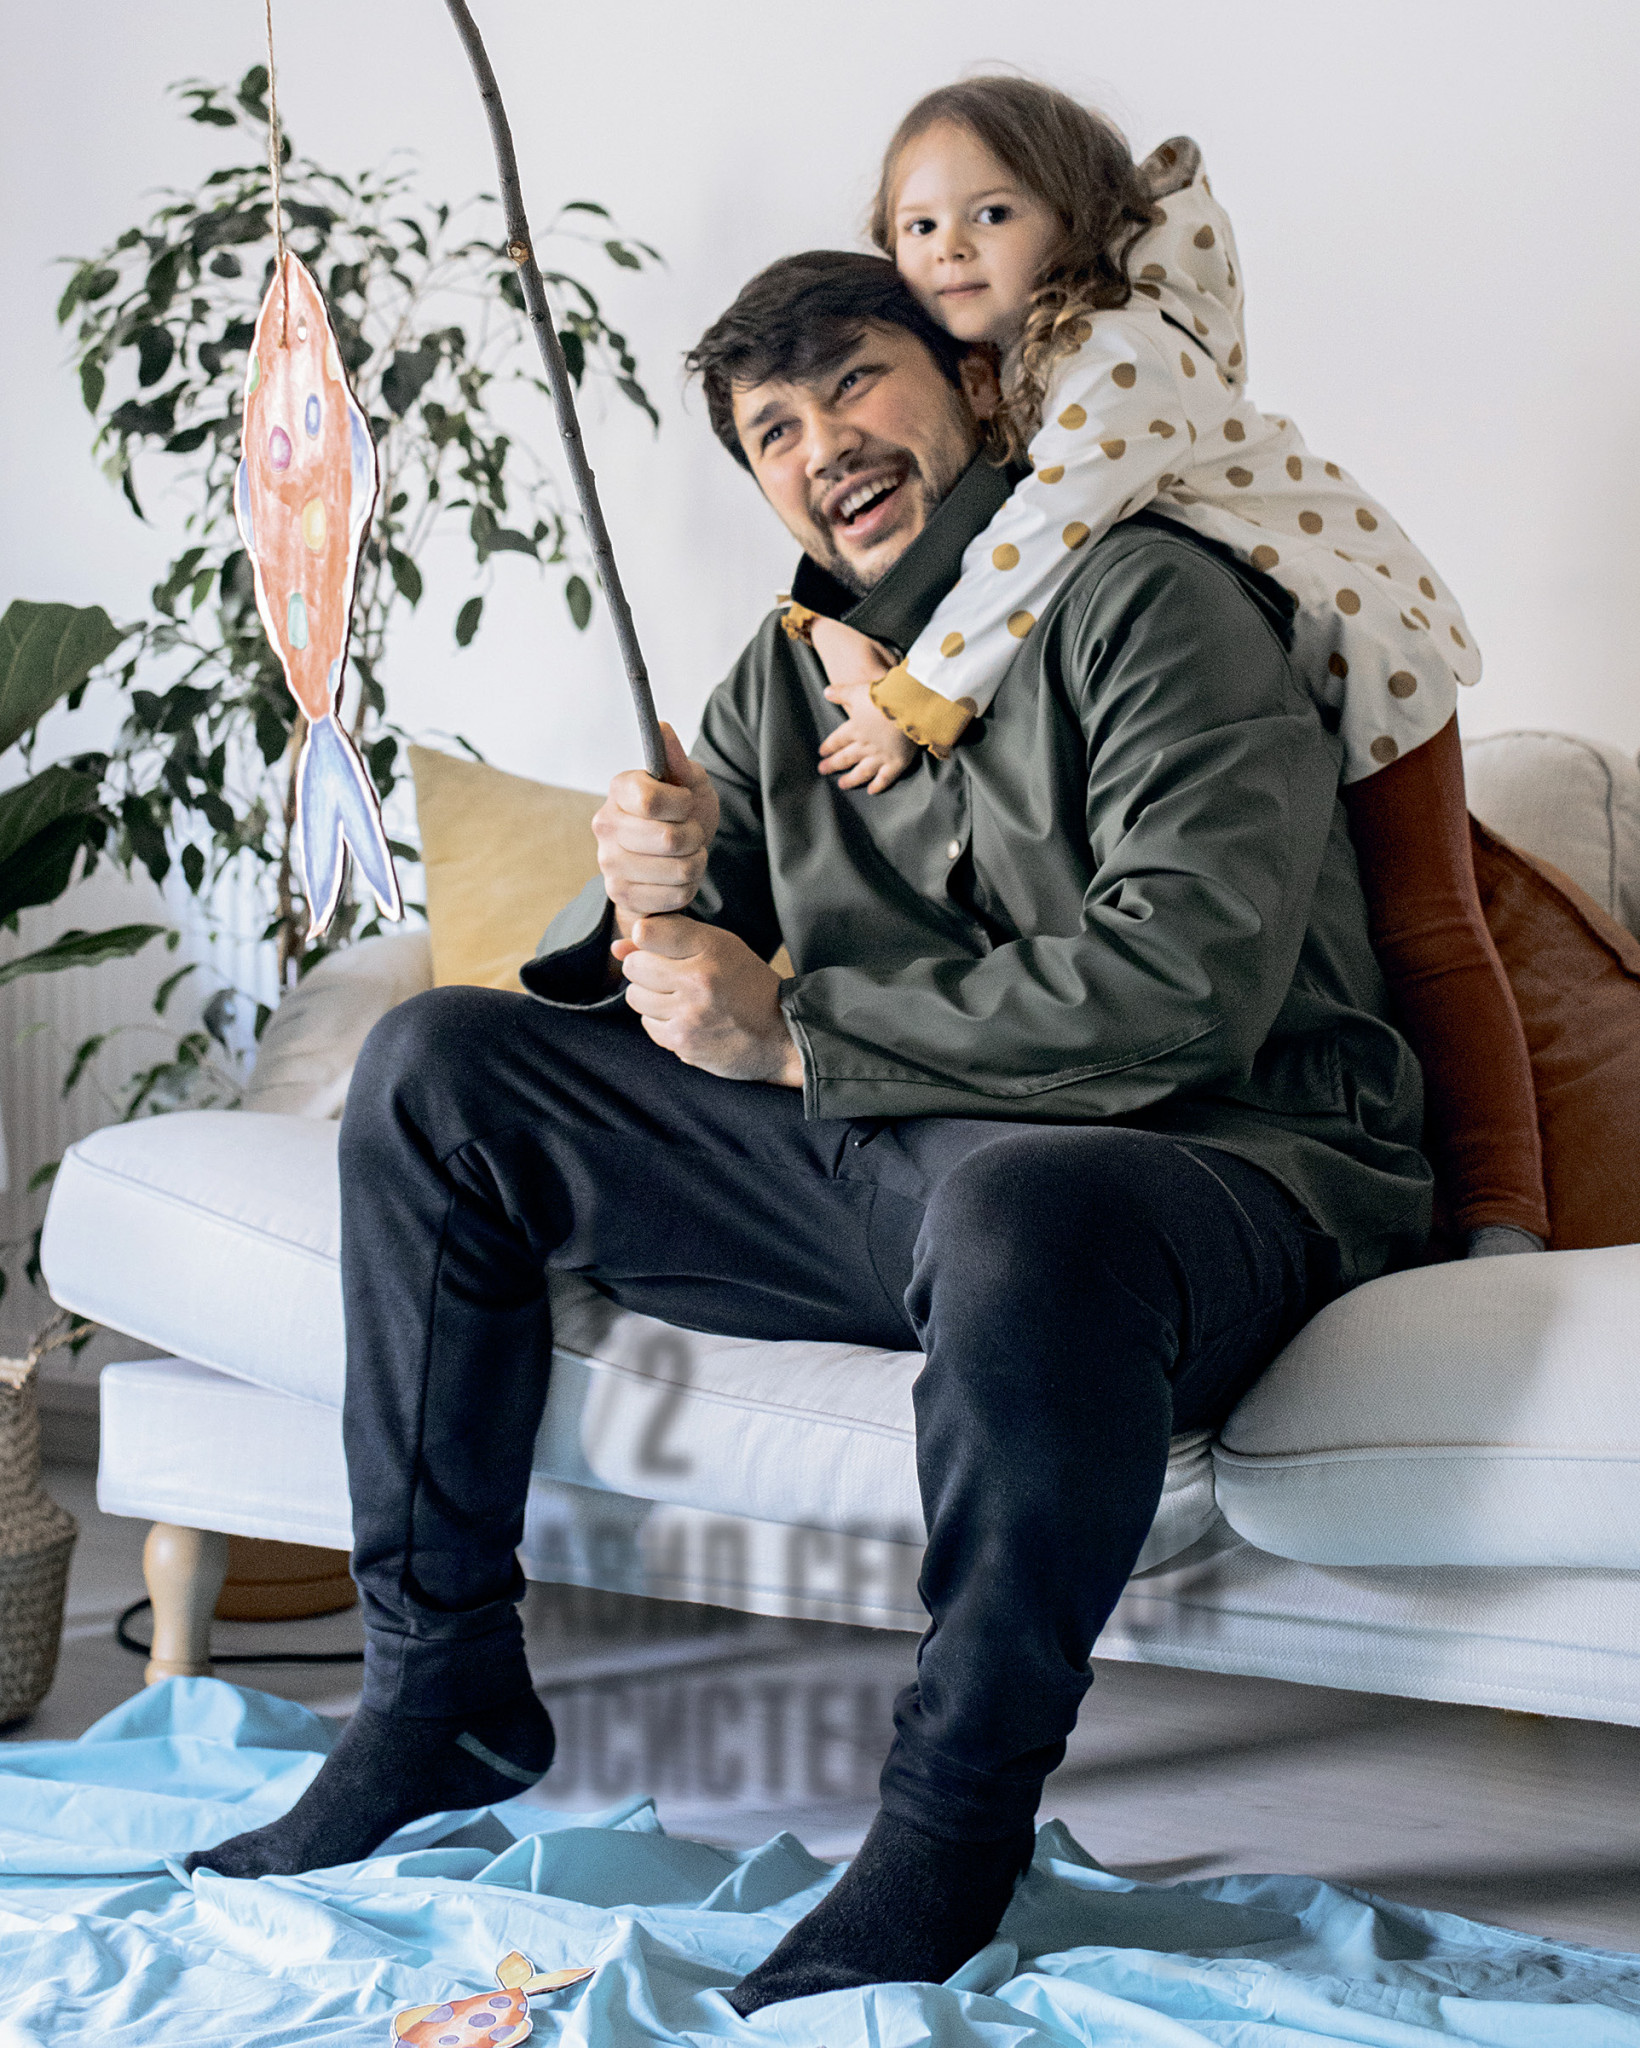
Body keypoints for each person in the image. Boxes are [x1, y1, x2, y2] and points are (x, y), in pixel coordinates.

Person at [188, 249, 1430, 2011]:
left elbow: (1190, 990)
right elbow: (668, 987)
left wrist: (797, 1032)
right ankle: (435, 1689)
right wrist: (645, 889)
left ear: (975, 388)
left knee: (1021, 1213)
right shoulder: (779, 681)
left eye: (855, 381)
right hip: (894, 1175)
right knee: (441, 1065)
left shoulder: (1154, 594)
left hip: (1207, 1175)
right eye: (773, 428)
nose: (822, 443)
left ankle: (947, 1828)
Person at [807, 77, 1548, 1256]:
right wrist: (837, 625)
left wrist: (911, 700)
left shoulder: (1118, 352)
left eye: (990, 214)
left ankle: (1505, 1218)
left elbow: (1039, 531)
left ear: (1072, 219)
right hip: (1249, 651)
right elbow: (948, 533)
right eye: (918, 224)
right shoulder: (1007, 372)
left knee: (1426, 925)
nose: (949, 248)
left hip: (1366, 641)